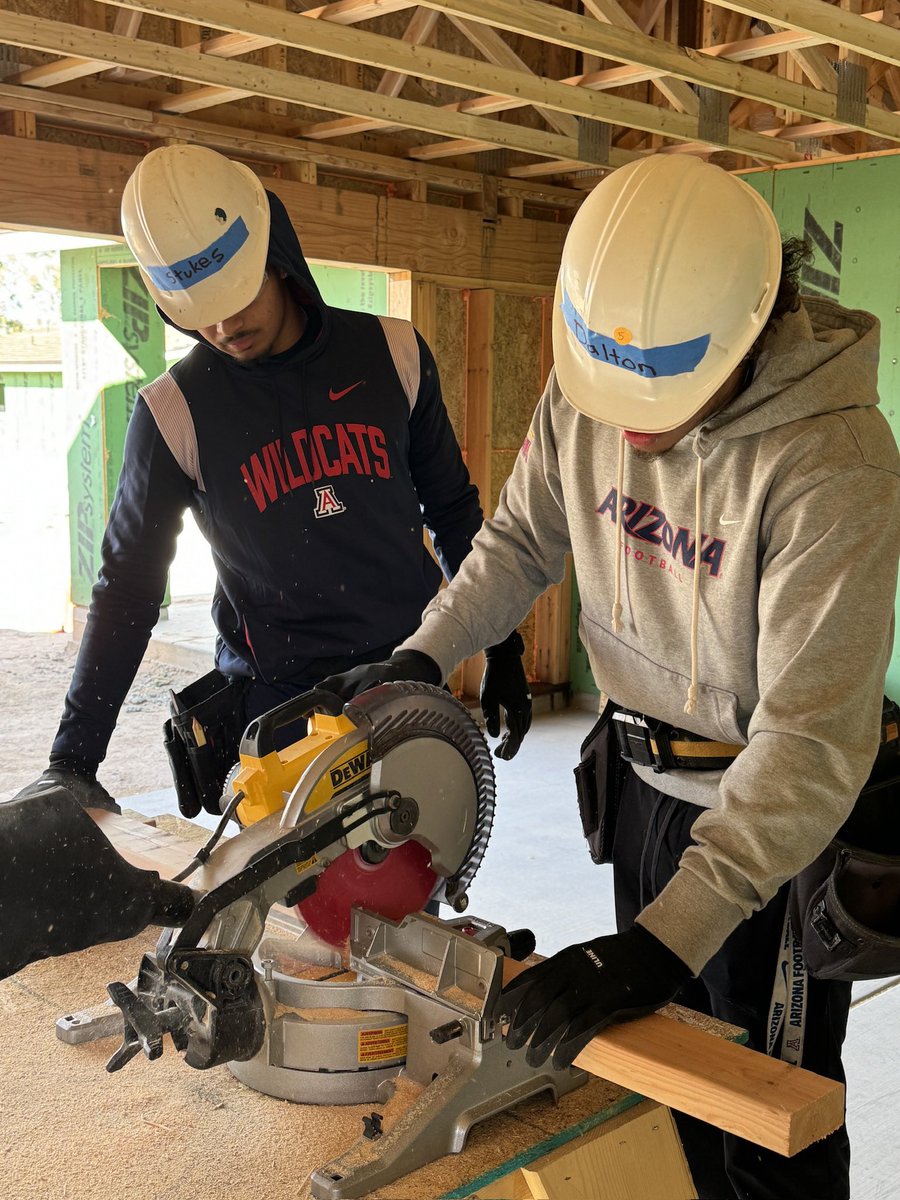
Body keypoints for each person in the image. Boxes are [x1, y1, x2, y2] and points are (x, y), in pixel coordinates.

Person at [317, 154, 900, 1200]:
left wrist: (664, 940)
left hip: (764, 821)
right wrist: (424, 651)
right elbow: (521, 541)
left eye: (663, 402)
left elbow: (810, 744)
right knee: (665, 1086)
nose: (628, 426)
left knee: (768, 1115)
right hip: (639, 785)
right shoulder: (604, 376)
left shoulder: (835, 463)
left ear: (749, 336)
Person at [19, 144, 531, 820]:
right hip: (278, 715)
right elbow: (129, 588)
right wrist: (73, 760)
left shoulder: (394, 354)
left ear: (276, 252)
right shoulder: (174, 413)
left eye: (238, 296)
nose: (226, 327)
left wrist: (505, 645)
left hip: (406, 684)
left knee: (408, 899)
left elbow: (454, 511)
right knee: (290, 919)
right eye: (201, 313)